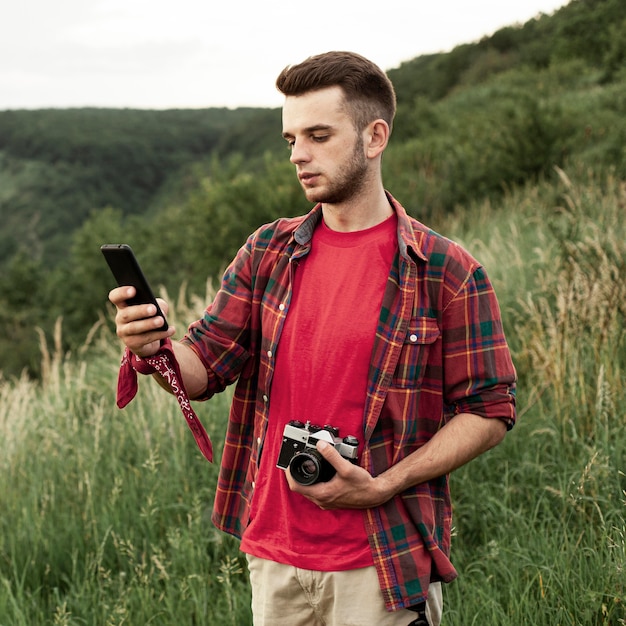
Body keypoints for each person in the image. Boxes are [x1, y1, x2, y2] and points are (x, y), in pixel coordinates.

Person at [109, 51, 517, 626]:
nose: (299, 154)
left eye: (319, 135)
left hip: (379, 562)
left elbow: (490, 409)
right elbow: (203, 366)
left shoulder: (446, 272)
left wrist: (383, 485)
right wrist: (153, 348)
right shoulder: (268, 253)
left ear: (374, 137)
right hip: (274, 558)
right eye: (290, 139)